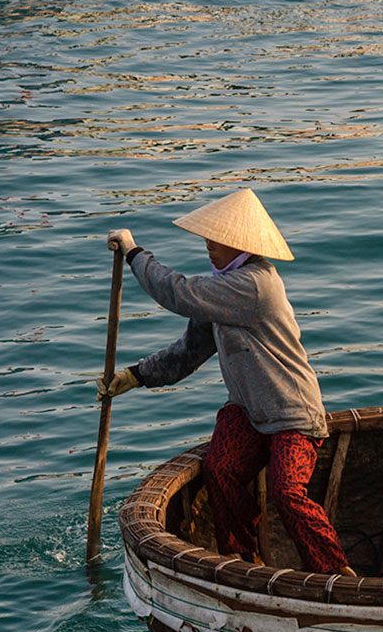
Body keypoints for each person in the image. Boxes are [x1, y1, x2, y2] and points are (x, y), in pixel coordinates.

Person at [97, 188, 354, 576]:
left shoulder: (254, 284)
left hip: (292, 413)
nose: (208, 246)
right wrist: (135, 376)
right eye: (207, 238)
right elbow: (188, 352)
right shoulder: (221, 292)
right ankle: (242, 560)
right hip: (249, 411)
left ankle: (336, 572)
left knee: (288, 493)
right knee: (220, 470)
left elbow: (180, 293)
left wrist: (135, 254)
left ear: (239, 244)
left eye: (216, 239)